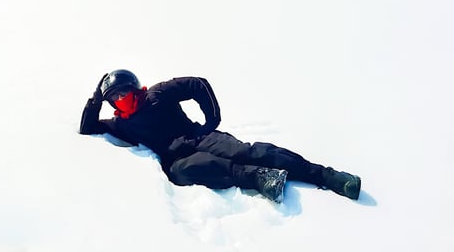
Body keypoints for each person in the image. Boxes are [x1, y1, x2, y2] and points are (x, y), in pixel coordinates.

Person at [79, 69, 361, 203]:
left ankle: (326, 176)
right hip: (176, 158)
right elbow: (88, 128)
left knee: (249, 152)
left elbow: (196, 84)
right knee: (187, 171)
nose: (119, 99)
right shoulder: (120, 124)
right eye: (113, 98)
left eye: (122, 92)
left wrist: (211, 119)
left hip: (199, 137)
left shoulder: (157, 95)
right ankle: (260, 178)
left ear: (134, 87)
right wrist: (95, 100)